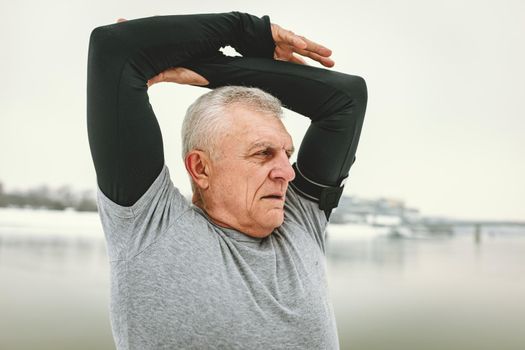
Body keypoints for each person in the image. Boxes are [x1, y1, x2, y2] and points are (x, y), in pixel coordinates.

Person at [87, 11, 367, 350]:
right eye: (263, 153)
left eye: (287, 154)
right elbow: (116, 49)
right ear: (200, 169)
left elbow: (347, 99)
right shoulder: (150, 226)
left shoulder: (300, 222)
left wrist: (206, 68)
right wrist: (247, 30)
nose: (288, 173)